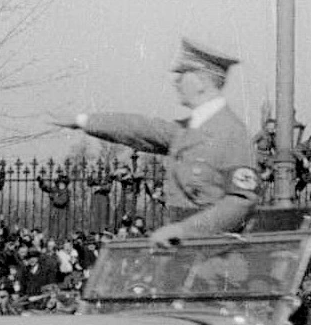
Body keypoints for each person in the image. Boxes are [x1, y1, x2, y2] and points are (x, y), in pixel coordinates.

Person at [50, 38, 260, 245]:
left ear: (201, 81)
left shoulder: (232, 133)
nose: (176, 82)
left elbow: (241, 201)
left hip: (213, 257)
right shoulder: (187, 129)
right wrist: (82, 121)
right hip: (183, 252)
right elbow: (139, 128)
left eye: (182, 74)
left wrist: (184, 230)